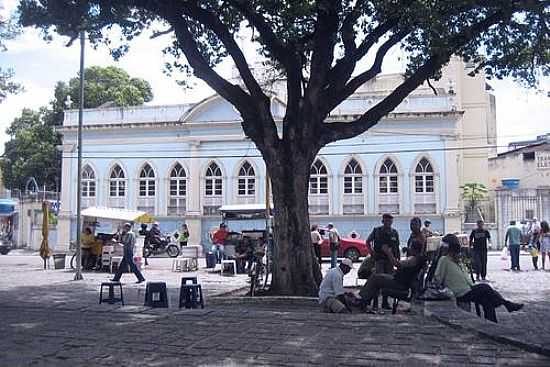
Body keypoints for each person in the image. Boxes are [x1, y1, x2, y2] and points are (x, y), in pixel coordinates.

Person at [435, 234, 523, 323]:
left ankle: (492, 323)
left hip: (469, 289)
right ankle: (507, 304)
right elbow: (438, 277)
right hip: (460, 293)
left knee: (487, 301)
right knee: (485, 287)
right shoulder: (444, 260)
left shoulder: (458, 261)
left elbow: (466, 278)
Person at [360, 219, 426, 313]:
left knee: (376, 278)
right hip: (387, 265)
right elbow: (368, 242)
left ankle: (364, 300)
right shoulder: (377, 231)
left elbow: (397, 263)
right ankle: (366, 301)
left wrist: (388, 252)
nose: (412, 226)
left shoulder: (415, 250)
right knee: (376, 277)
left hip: (399, 280)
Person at [366, 213, 400, 310]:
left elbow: (396, 247)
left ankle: (385, 302)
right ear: (382, 221)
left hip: (390, 261)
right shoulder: (376, 231)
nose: (388, 223)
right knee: (377, 281)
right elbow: (368, 241)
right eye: (386, 221)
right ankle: (375, 303)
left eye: (390, 221)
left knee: (388, 282)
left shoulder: (394, 232)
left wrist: (397, 260)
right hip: (379, 260)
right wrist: (371, 252)